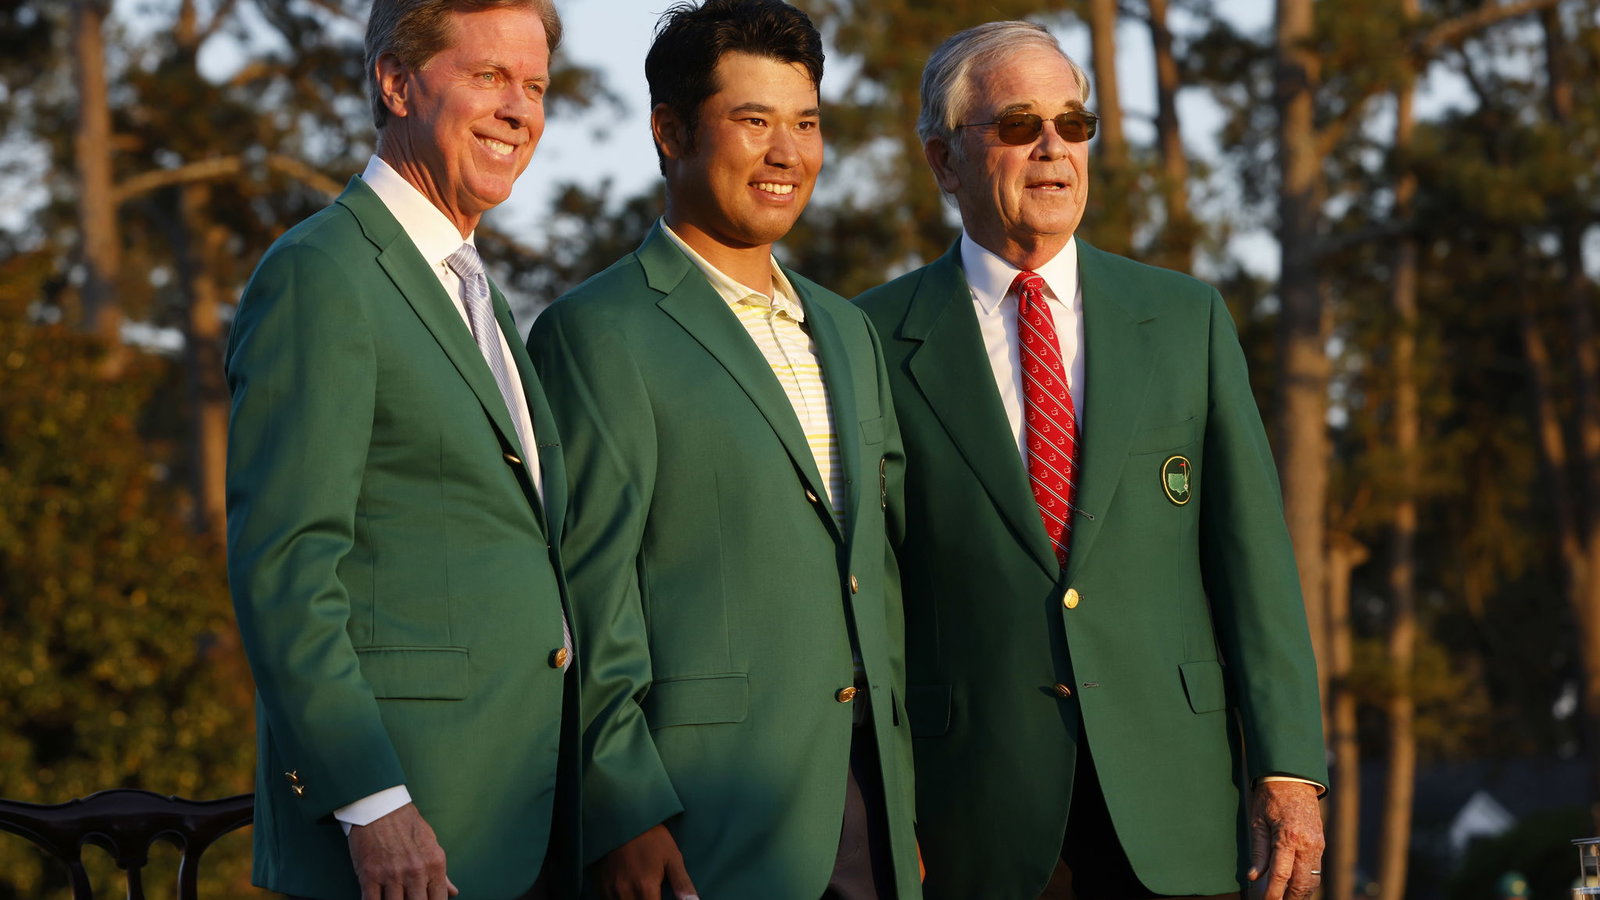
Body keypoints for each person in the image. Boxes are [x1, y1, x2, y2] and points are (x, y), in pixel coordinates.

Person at [854, 21, 1327, 900]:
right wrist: (882, 804)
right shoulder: (868, 339)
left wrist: (1291, 768)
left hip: (1173, 806)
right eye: (1017, 123)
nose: (1052, 148)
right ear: (943, 160)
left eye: (1074, 124)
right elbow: (869, 597)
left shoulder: (1185, 318)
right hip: (973, 817)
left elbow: (1253, 562)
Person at [525, 2, 921, 898]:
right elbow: (589, 598)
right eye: (754, 121)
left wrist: (903, 801)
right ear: (670, 131)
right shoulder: (596, 334)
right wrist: (622, 803)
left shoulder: (850, 332)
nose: (788, 153)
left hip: (868, 810)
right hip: (703, 820)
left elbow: (879, 572)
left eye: (807, 124)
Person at [224, 1, 576, 897]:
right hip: (399, 842)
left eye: (534, 86)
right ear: (395, 81)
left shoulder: (474, 292)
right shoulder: (322, 273)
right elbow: (286, 568)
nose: (518, 110)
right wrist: (371, 802)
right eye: (489, 76)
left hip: (517, 822)